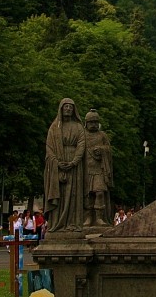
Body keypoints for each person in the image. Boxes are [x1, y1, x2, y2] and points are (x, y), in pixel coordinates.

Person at [44, 98, 87, 233]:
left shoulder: (79, 127)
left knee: (74, 194)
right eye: (66, 106)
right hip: (57, 164)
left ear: (74, 110)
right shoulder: (54, 127)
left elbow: (81, 145)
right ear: (61, 109)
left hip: (74, 165)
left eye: (71, 107)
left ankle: (72, 223)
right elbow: (49, 147)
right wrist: (56, 162)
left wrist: (74, 161)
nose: (68, 109)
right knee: (59, 194)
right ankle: (57, 224)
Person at [83, 109, 114, 227]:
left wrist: (102, 150)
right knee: (88, 195)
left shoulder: (102, 135)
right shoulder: (82, 135)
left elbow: (109, 150)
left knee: (99, 192)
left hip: (99, 169)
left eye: (96, 122)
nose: (94, 125)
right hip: (86, 169)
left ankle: (99, 218)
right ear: (86, 123)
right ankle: (88, 218)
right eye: (91, 122)